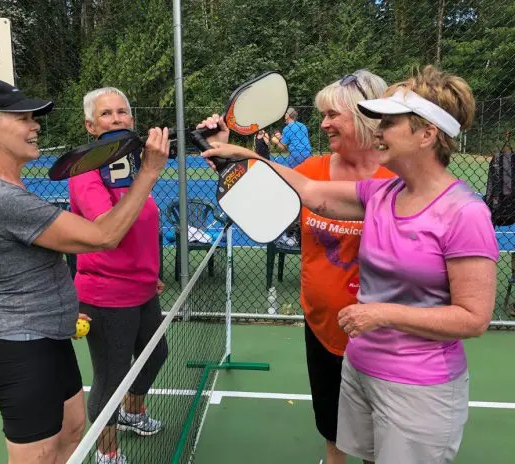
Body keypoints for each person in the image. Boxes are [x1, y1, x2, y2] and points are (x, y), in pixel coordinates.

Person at [199, 65, 498, 464]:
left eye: (389, 123)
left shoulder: (464, 213)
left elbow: (473, 318)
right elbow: (308, 190)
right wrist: (241, 154)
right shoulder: (384, 192)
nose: (378, 131)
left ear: (427, 134)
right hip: (362, 369)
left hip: (418, 385)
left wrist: (382, 313)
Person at [0, 79, 170, 464]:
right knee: (43, 456)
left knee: (71, 435)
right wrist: (150, 172)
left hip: (50, 338)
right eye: (23, 118)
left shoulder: (13, 190)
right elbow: (103, 236)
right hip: (20, 351)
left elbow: (37, 268)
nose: (35, 126)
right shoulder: (3, 199)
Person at [290, 70, 392, 464]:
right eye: (323, 114)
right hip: (321, 324)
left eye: (333, 114)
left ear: (364, 117)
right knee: (331, 423)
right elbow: (255, 197)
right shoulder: (311, 172)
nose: (324, 122)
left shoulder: (398, 179)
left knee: (376, 425)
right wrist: (222, 153)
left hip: (380, 331)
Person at [68, 87, 169, 464]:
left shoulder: (133, 165)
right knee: (111, 378)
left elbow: (144, 224)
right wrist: (149, 172)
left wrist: (151, 272)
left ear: (132, 119)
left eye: (122, 112)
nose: (116, 119)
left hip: (142, 287)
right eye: (106, 114)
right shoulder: (85, 172)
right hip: (105, 293)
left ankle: (132, 413)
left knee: (156, 355)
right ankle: (107, 453)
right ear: (91, 126)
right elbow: (108, 230)